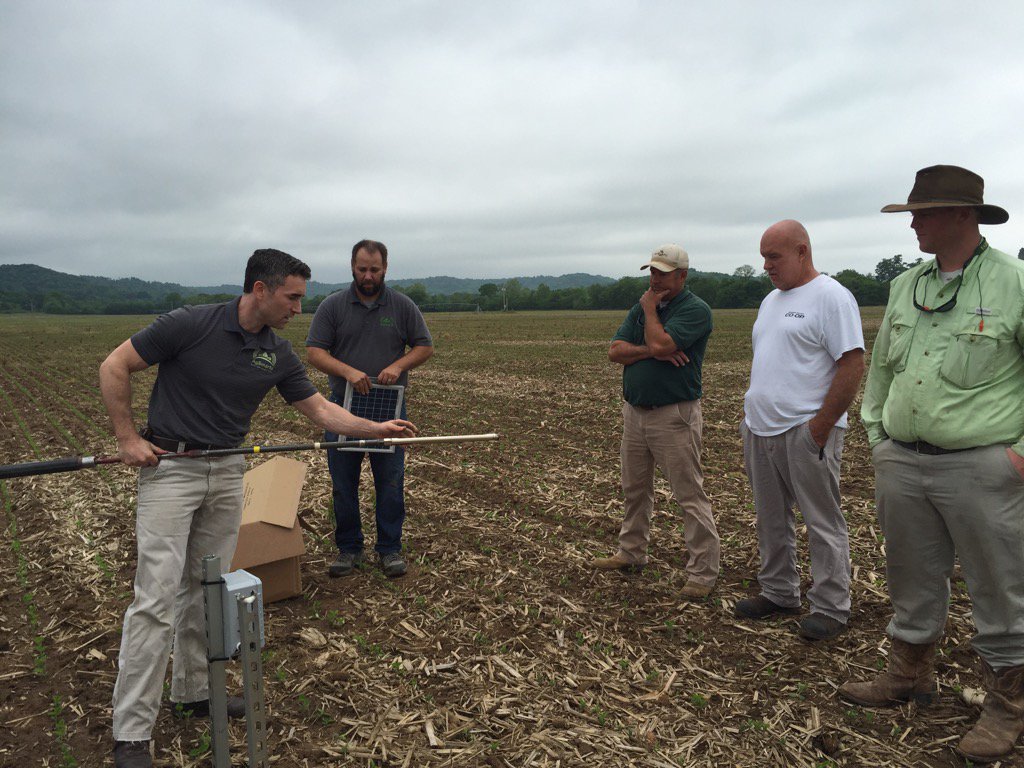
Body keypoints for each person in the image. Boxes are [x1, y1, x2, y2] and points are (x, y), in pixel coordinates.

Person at [101, 248, 416, 768]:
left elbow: (319, 409)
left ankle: (194, 693)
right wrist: (128, 436)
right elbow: (116, 364)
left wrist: (375, 429)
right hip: (171, 470)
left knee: (208, 588)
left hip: (225, 471)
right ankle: (131, 732)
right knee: (155, 597)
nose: (299, 308)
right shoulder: (189, 324)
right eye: (292, 297)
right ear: (261, 290)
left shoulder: (278, 353)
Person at [839, 165, 1024, 763]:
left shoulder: (1011, 283)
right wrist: (877, 434)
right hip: (903, 459)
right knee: (911, 576)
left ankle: (1009, 704)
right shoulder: (905, 284)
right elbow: (885, 366)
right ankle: (910, 672)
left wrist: (1020, 454)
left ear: (964, 216)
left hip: (982, 465)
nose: (913, 223)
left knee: (1000, 587)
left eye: (924, 212)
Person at [734, 220, 865, 641]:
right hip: (760, 427)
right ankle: (778, 591)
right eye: (763, 258)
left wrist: (821, 426)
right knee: (770, 518)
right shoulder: (771, 300)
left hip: (805, 430)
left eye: (774, 256)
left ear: (802, 251)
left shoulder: (831, 297)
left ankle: (831, 606)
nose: (767, 266)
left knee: (821, 520)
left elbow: (852, 364)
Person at [592, 244, 720, 598]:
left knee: (688, 494)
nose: (654, 278)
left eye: (662, 272)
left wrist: (650, 319)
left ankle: (703, 574)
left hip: (674, 414)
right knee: (634, 488)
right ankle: (631, 553)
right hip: (635, 413)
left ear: (682, 275)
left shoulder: (695, 310)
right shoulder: (642, 307)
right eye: (652, 271)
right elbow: (615, 351)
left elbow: (664, 343)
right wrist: (652, 349)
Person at [306, 239, 433, 579]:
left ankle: (389, 550)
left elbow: (424, 346)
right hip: (342, 409)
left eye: (374, 269)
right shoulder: (332, 306)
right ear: (352, 267)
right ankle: (349, 549)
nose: (368, 275)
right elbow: (315, 352)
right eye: (362, 269)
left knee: (390, 483)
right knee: (342, 484)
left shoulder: (403, 306)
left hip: (390, 409)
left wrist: (397, 366)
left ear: (385, 269)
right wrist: (348, 372)